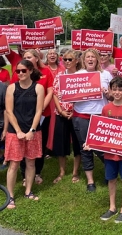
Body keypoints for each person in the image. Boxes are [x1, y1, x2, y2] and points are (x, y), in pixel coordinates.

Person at [96, 76, 122, 223]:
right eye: (115, 89)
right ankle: (112, 207)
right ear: (111, 91)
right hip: (109, 153)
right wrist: (92, 144)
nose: (117, 92)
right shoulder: (106, 109)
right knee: (111, 179)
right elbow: (101, 131)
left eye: (120, 89)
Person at [5, 59, 44, 209]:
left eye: (23, 71)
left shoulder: (38, 88)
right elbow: (9, 111)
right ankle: (10, 196)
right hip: (15, 132)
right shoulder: (11, 88)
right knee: (14, 164)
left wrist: (32, 131)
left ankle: (28, 191)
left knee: (30, 162)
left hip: (33, 131)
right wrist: (19, 131)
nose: (20, 73)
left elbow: (38, 111)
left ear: (30, 71)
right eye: (18, 71)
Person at [11, 49, 54, 185]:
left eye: (29, 57)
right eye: (24, 57)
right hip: (23, 117)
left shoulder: (46, 71)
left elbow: (50, 91)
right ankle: (25, 175)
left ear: (36, 58)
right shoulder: (20, 72)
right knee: (23, 144)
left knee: (38, 145)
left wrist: (40, 108)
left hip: (43, 115)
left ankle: (37, 173)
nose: (27, 59)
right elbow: (13, 89)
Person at [72, 48, 112, 191]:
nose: (90, 59)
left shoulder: (106, 75)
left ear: (97, 60)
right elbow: (70, 95)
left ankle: (110, 173)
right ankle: (90, 181)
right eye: (87, 57)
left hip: (100, 115)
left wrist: (107, 93)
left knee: (102, 148)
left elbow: (113, 97)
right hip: (81, 115)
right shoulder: (77, 75)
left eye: (93, 57)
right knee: (85, 148)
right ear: (83, 60)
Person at [51, 49, 82, 184]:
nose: (67, 62)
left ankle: (75, 172)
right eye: (65, 59)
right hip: (61, 114)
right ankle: (62, 172)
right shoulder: (59, 76)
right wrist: (61, 111)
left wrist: (73, 111)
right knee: (61, 144)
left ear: (76, 61)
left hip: (76, 114)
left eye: (70, 59)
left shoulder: (81, 76)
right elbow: (55, 94)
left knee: (77, 143)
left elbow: (84, 95)